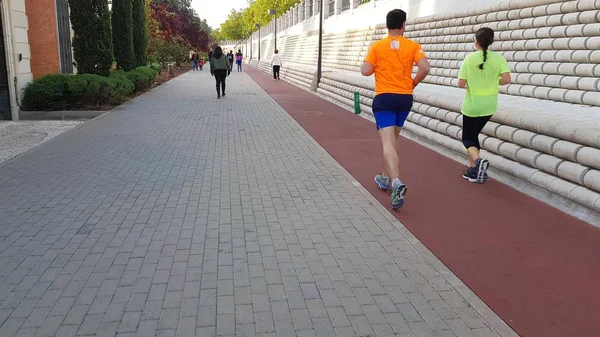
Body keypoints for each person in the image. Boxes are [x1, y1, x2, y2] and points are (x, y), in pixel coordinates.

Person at [360, 9, 430, 210]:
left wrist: (375, 66)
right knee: (393, 140)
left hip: (384, 98)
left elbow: (365, 71)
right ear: (403, 25)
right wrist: (413, 82)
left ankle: (396, 181)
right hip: (404, 98)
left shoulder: (378, 46)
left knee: (387, 143)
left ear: (387, 25)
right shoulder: (413, 46)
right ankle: (383, 177)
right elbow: (425, 67)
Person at [458, 28, 511, 184]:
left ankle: (479, 162)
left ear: (476, 41)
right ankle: (473, 171)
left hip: (472, 106)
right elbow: (507, 80)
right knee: (474, 137)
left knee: (467, 139)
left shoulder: (469, 59)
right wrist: (494, 82)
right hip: (489, 106)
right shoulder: (499, 59)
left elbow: (461, 84)